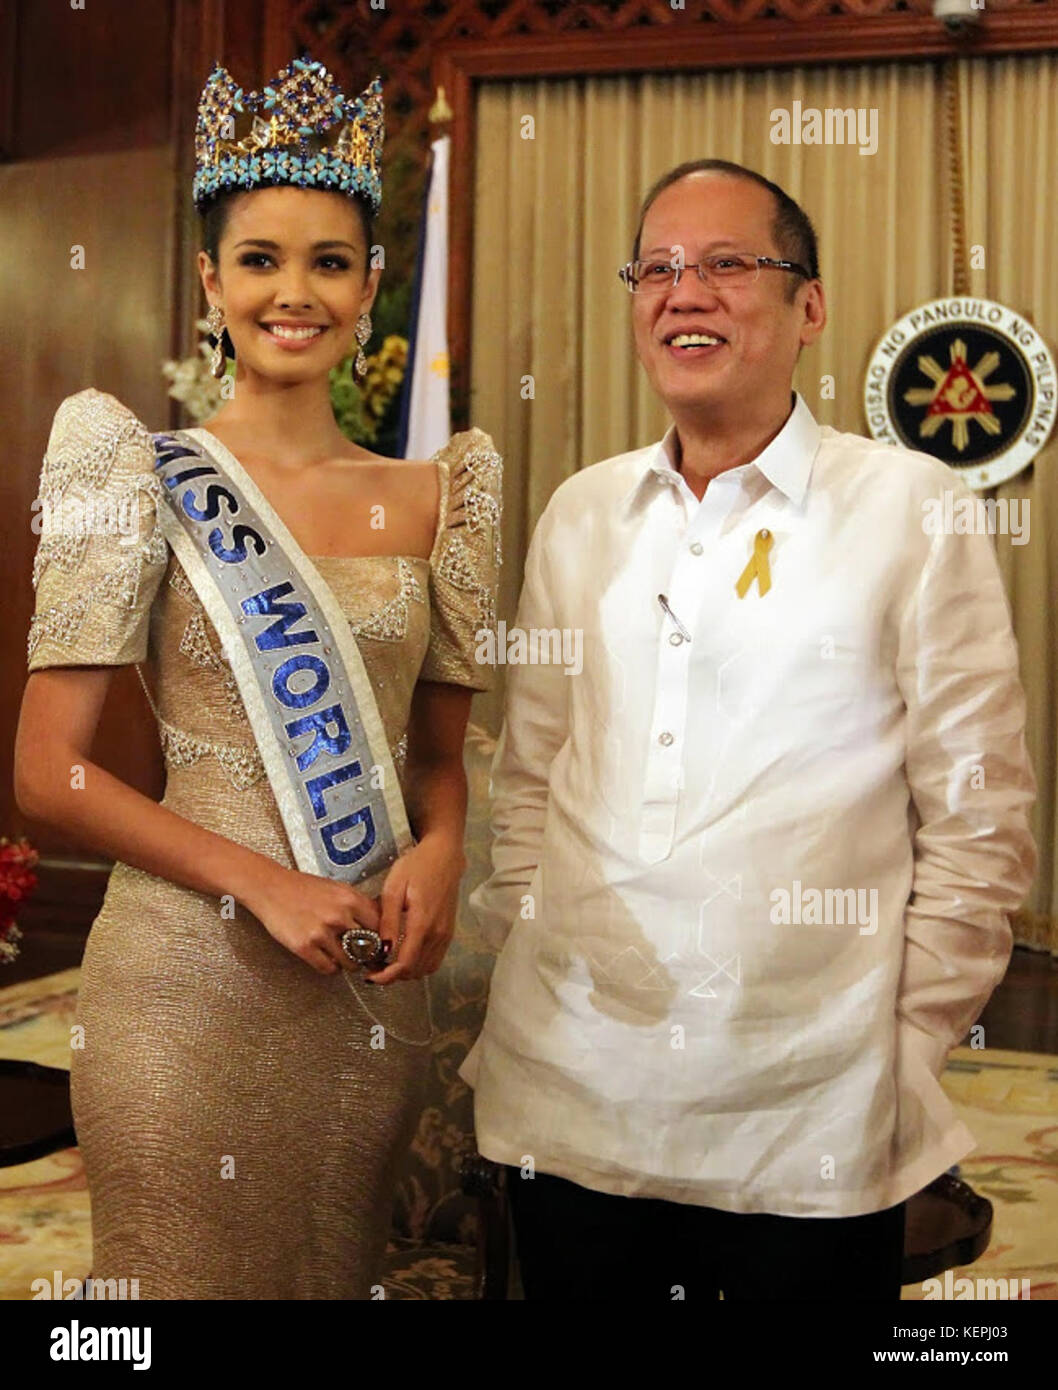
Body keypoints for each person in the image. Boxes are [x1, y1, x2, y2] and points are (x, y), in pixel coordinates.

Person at [462, 159, 1035, 1301]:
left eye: (728, 264)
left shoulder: (908, 505)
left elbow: (980, 815)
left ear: (808, 307)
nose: (685, 292)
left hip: (808, 1116)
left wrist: (900, 1044)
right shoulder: (582, 512)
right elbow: (525, 779)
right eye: (658, 269)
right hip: (570, 1094)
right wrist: (538, 946)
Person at [15, 59, 502, 1299]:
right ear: (210, 281)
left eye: (331, 261)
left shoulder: (440, 497)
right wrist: (263, 884)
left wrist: (441, 848)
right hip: (180, 979)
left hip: (359, 984)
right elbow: (47, 774)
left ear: (372, 285)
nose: (296, 293)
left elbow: (437, 760)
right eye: (263, 260)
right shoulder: (132, 469)